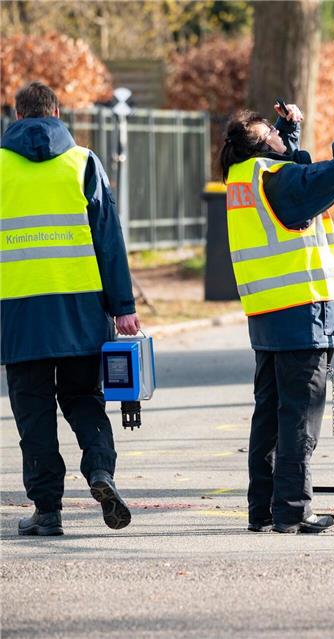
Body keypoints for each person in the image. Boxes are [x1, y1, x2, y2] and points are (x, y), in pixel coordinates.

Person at [218, 89, 334, 533]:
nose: (280, 139)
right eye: (273, 135)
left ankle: (263, 510)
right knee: (299, 416)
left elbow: (289, 172)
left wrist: (289, 133)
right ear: (266, 149)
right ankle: (293, 510)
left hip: (268, 314)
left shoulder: (243, 177)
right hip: (303, 312)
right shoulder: (275, 179)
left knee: (270, 414)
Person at [1, 81, 140, 536]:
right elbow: (109, 240)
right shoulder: (83, 162)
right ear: (58, 112)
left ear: (17, 115)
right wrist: (122, 307)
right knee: (84, 400)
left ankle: (48, 510)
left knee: (33, 414)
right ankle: (100, 471)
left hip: (18, 315)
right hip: (81, 312)